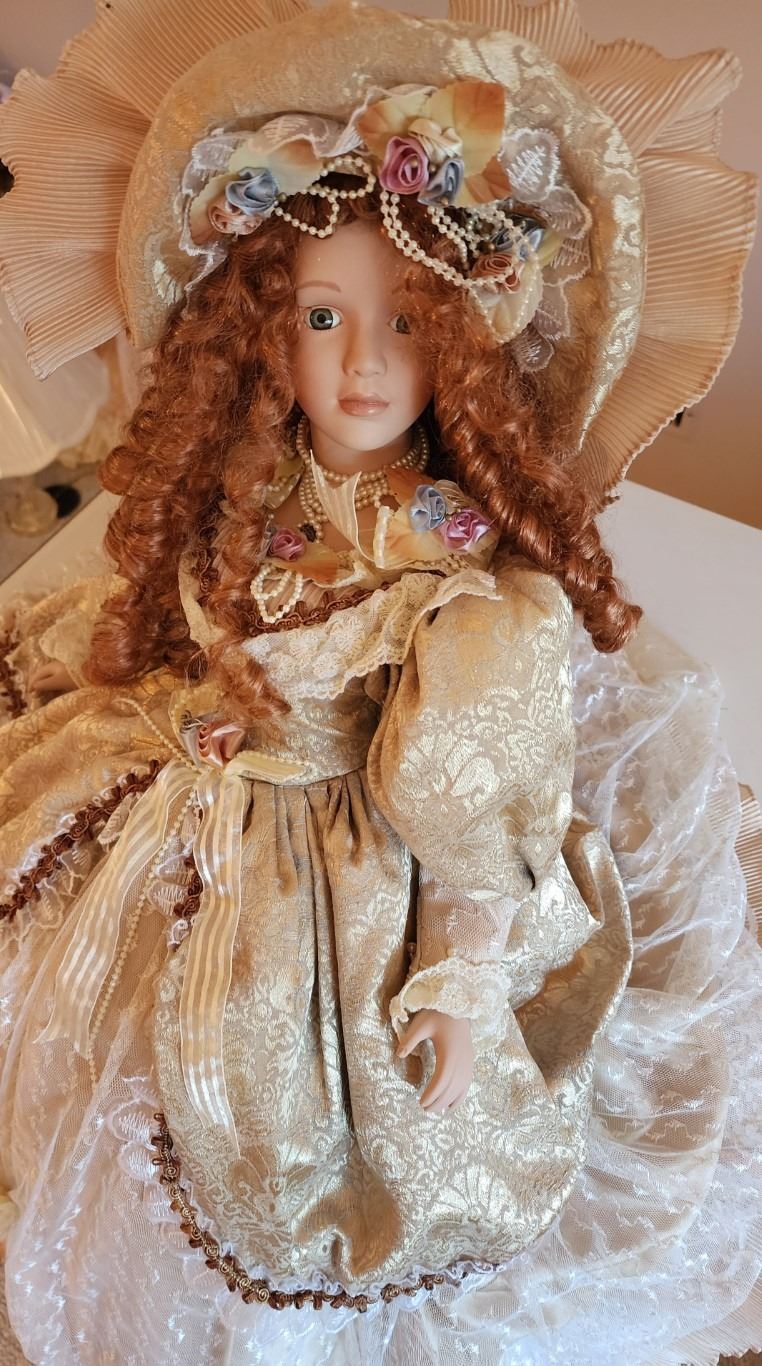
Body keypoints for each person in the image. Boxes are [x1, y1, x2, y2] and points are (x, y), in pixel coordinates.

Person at [0, 2, 760, 1362]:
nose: (362, 365)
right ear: (257, 332)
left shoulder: (458, 575)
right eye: (321, 316)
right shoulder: (256, 479)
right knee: (90, 1028)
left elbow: (465, 770)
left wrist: (456, 984)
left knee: (289, 1121)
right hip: (201, 800)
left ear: (463, 340)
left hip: (356, 874)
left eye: (407, 322)